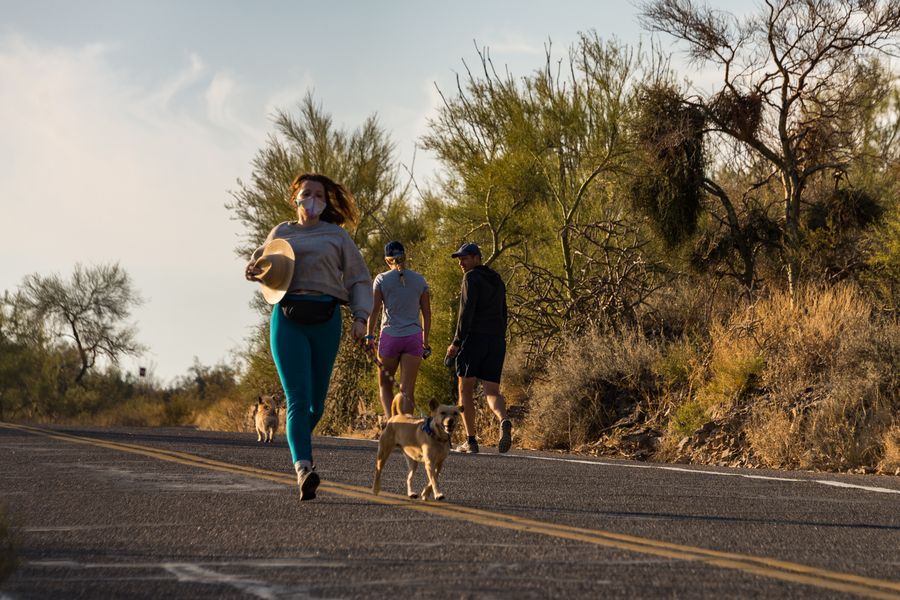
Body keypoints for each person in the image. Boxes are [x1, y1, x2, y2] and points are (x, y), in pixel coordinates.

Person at [245, 173, 372, 501]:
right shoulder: (282, 233)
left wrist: (361, 317)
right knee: (298, 399)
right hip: (287, 319)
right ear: (296, 199)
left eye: (319, 195)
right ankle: (304, 468)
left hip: (327, 319)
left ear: (326, 202)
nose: (312, 199)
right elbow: (261, 260)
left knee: (316, 404)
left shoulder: (337, 236)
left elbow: (359, 278)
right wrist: (252, 267)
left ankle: (298, 439)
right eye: (307, 193)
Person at [445, 242, 512, 454]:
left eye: (465, 258)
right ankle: (504, 419)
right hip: (496, 340)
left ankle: (471, 440)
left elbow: (466, 312)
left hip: (473, 339)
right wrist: (498, 338)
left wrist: (456, 342)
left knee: (464, 389)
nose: (461, 263)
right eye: (459, 259)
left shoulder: (471, 278)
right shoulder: (497, 279)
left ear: (477, 258)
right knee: (492, 391)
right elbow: (504, 313)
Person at [366, 240, 431, 417]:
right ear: (405, 256)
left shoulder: (381, 279)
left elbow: (375, 310)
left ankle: (392, 424)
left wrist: (369, 336)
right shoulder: (420, 280)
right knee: (407, 390)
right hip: (414, 338)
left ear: (388, 260)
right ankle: (407, 431)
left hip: (390, 337)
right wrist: (425, 342)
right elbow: (427, 314)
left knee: (385, 386)